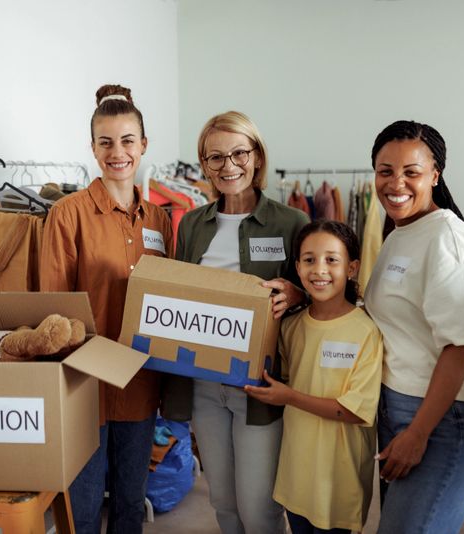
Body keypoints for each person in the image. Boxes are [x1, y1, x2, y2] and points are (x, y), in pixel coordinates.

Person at [162, 111, 310, 534]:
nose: (229, 166)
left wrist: (296, 293)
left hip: (260, 386)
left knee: (258, 508)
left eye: (239, 153)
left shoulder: (291, 223)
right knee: (223, 503)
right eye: (215, 158)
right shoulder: (191, 223)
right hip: (205, 387)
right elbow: (178, 296)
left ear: (257, 156)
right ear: (204, 165)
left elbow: (324, 291)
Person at [40, 84, 173, 534]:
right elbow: (53, 314)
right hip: (85, 387)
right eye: (106, 142)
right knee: (81, 509)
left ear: (144, 145)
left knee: (131, 507)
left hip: (140, 381)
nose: (118, 152)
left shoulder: (159, 220)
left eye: (127, 140)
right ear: (93, 148)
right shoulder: (67, 214)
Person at [363, 120, 464, 534]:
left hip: (442, 419)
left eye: (411, 172)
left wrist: (418, 432)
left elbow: (461, 347)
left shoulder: (450, 241)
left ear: (435, 175)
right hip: (400, 406)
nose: (395, 183)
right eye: (385, 171)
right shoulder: (400, 232)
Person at [245, 220, 383, 534]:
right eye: (309, 260)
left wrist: (288, 397)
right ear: (297, 266)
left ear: (352, 267)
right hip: (296, 476)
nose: (319, 269)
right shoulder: (291, 327)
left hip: (338, 483)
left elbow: (353, 409)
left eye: (332, 259)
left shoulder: (366, 332)